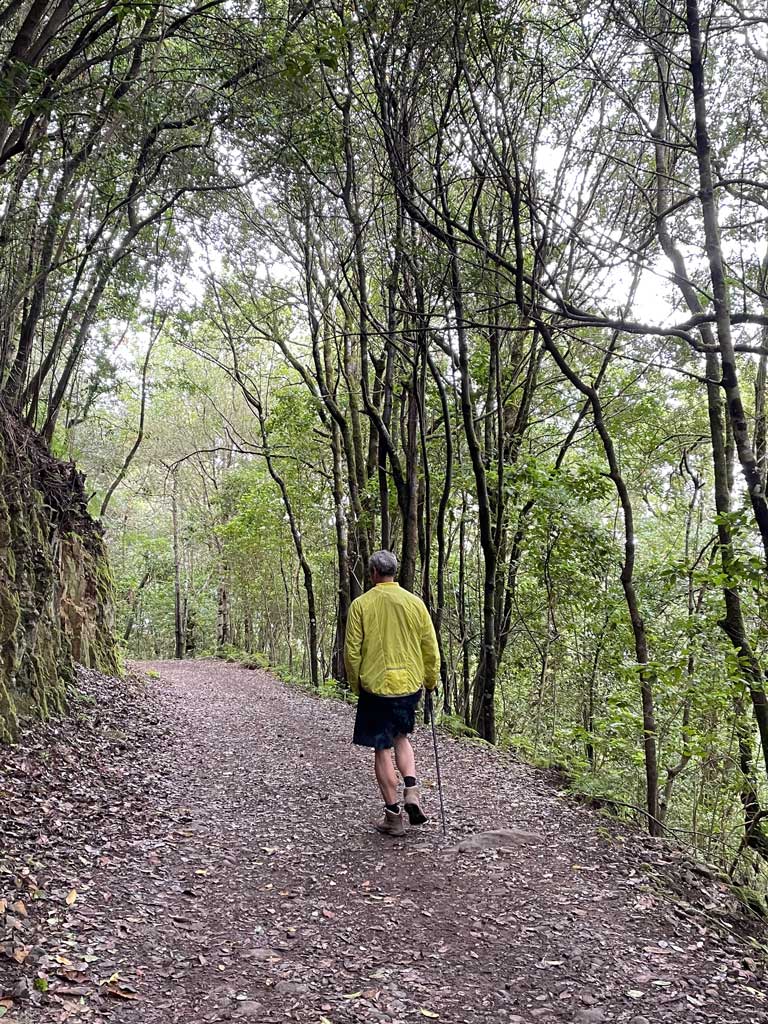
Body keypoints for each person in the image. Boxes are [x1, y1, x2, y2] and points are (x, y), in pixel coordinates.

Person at [344, 549, 440, 836]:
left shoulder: (361, 605)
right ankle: (412, 789)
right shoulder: (415, 604)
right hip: (409, 685)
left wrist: (355, 683)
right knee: (401, 737)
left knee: (381, 747)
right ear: (394, 572)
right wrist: (431, 680)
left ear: (373, 573)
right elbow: (429, 646)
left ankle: (393, 816)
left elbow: (352, 652)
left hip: (376, 687)